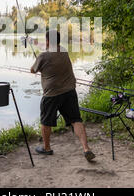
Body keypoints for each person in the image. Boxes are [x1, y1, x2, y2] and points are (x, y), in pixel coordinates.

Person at [30, 30, 95, 162]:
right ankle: (86, 148)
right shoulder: (64, 51)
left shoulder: (43, 57)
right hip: (69, 91)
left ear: (48, 41)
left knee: (46, 121)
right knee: (76, 120)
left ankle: (47, 148)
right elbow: (49, 51)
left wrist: (37, 57)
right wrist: (35, 43)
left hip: (52, 94)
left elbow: (32, 70)